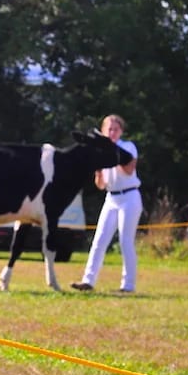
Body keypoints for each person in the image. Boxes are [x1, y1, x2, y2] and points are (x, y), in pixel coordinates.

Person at [72, 114, 142, 293]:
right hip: (112, 198)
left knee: (126, 241)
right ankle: (88, 280)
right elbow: (101, 185)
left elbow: (128, 170)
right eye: (109, 129)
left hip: (129, 197)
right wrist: (99, 172)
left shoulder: (127, 147)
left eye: (115, 129)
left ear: (121, 131)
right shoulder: (102, 152)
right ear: (103, 131)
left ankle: (128, 285)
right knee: (99, 240)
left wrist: (113, 155)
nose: (112, 132)